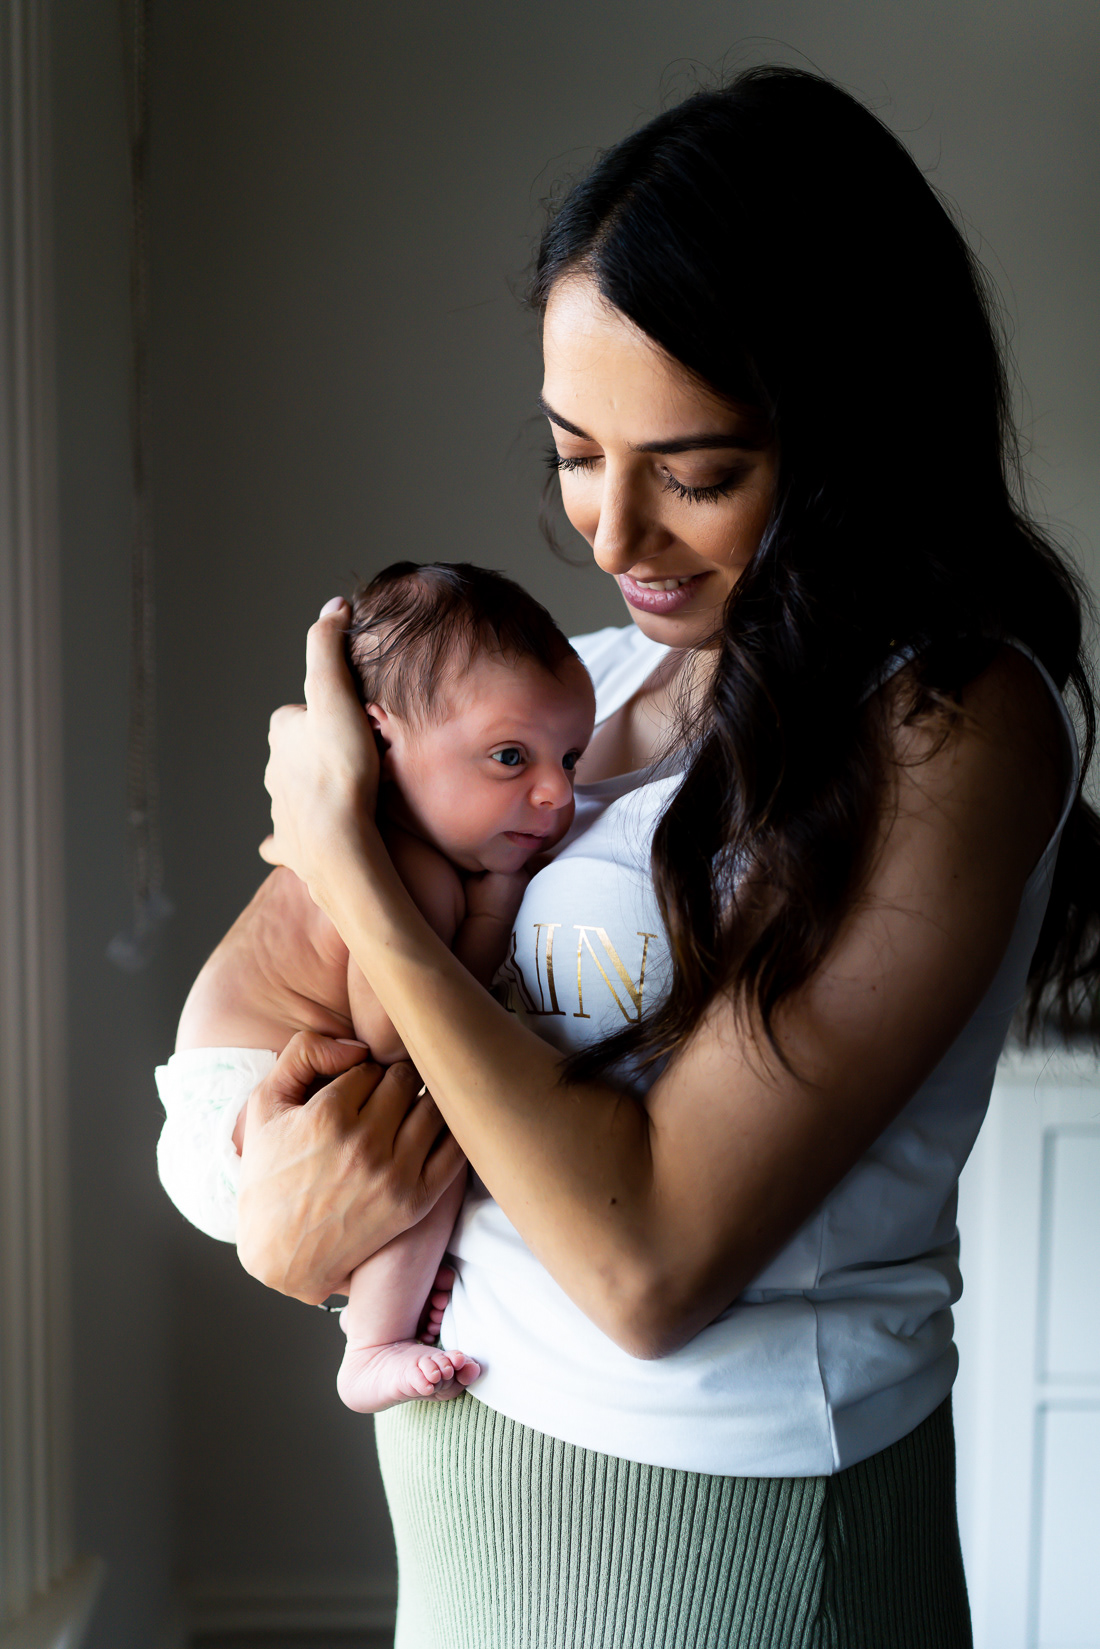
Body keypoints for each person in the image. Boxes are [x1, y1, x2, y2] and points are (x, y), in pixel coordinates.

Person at [170, 67, 1100, 1648]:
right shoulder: (577, 691)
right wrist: (270, 1215)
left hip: (729, 1560)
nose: (612, 533)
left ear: (849, 434)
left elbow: (645, 1267)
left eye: (695, 472)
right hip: (473, 1540)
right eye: (574, 450)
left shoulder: (950, 722)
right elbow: (237, 1057)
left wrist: (354, 867)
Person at [155, 561, 595, 1412]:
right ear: (377, 741)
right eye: (510, 757)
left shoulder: (398, 850)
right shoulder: (409, 871)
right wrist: (494, 909)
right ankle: (372, 1341)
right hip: (255, 1121)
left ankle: (393, 1278)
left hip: (227, 1103)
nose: (557, 792)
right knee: (445, 1104)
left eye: (570, 758)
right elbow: (405, 1034)